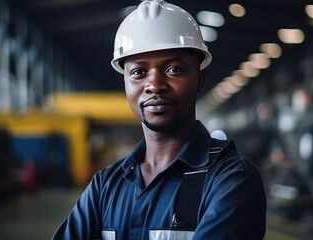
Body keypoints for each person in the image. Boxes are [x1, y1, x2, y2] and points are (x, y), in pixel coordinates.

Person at [52, 0, 266, 239]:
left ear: (200, 80)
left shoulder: (231, 179)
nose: (154, 85)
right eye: (138, 72)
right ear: (125, 83)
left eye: (173, 69)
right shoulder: (105, 186)